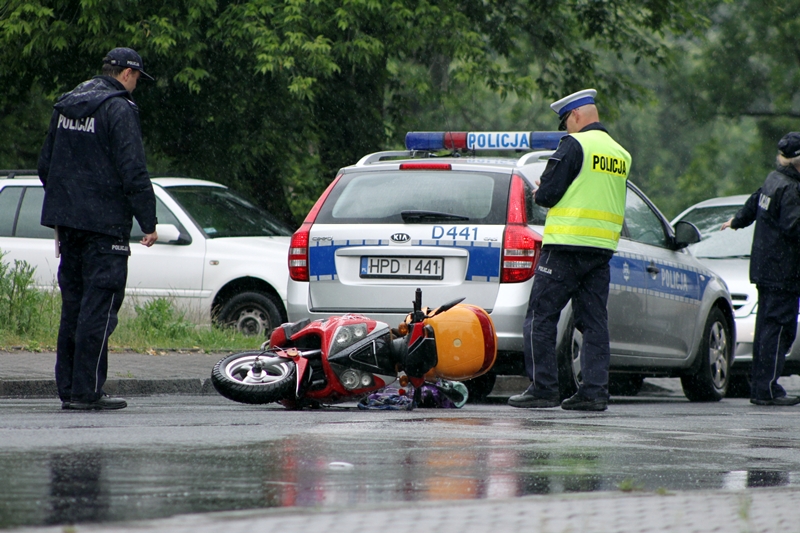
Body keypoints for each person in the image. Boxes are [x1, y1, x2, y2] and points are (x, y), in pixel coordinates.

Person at [38, 47, 158, 411]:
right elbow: (132, 169)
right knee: (99, 309)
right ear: (126, 73)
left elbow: (46, 164)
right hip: (105, 229)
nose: (135, 85)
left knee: (72, 308)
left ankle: (69, 388)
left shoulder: (66, 105)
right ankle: (87, 392)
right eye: (136, 78)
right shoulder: (118, 108)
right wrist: (147, 222)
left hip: (68, 226)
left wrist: (69, 205)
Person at [508, 89, 631, 412]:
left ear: (576, 116)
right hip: (601, 249)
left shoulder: (574, 145)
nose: (566, 130)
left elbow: (547, 194)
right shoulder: (620, 153)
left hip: (565, 247)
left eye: (566, 123)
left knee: (541, 317)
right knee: (594, 322)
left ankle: (544, 389)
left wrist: (539, 192)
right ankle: (594, 392)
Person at [721, 133, 800, 406]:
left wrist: (736, 221)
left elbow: (754, 203)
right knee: (779, 330)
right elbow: (795, 227)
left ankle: (761, 387)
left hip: (766, 270)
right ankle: (766, 390)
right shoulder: (790, 189)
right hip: (784, 273)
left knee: (767, 329)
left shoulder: (772, 180)